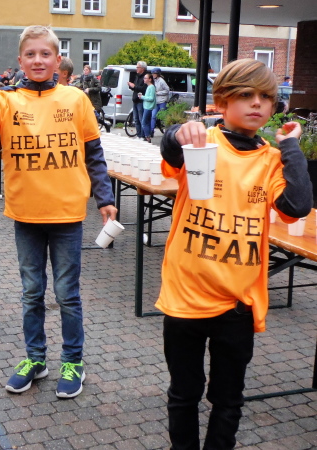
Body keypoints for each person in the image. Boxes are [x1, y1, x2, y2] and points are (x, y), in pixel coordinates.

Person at [0, 25, 116, 399]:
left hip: (67, 215)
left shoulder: (76, 100)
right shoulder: (7, 101)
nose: (38, 60)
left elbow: (94, 154)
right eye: (30, 54)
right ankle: (36, 359)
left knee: (67, 294)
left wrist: (104, 197)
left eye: (45, 54)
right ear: (20, 60)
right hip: (26, 215)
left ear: (57, 59)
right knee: (32, 292)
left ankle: (73, 361)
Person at [158, 58, 313, 450]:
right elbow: (172, 152)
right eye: (245, 95)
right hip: (185, 297)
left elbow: (297, 205)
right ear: (223, 102)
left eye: (265, 97)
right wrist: (179, 132)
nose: (257, 103)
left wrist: (290, 146)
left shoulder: (270, 161)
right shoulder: (203, 143)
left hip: (238, 304)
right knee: (184, 392)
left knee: (228, 398)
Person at [128, 61, 147, 139]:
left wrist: (134, 86)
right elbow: (135, 88)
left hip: (141, 100)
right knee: (136, 119)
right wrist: (131, 86)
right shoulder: (137, 76)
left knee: (141, 118)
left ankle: (142, 135)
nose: (136, 69)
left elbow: (143, 89)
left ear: (142, 68)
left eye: (138, 67)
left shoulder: (145, 77)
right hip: (135, 99)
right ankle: (138, 135)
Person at [151, 67, 170, 137]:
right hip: (156, 101)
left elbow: (167, 90)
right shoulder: (154, 81)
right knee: (153, 116)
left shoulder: (161, 81)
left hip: (162, 101)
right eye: (152, 74)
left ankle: (166, 130)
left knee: (163, 117)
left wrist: (158, 93)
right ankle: (151, 131)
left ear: (158, 74)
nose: (153, 75)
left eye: (154, 74)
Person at [138, 72, 155, 143]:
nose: (144, 79)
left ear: (150, 79)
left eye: (145, 78)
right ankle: (147, 137)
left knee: (144, 122)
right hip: (146, 106)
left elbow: (151, 98)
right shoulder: (149, 87)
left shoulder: (151, 87)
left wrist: (142, 97)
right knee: (147, 122)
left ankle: (147, 137)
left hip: (149, 107)